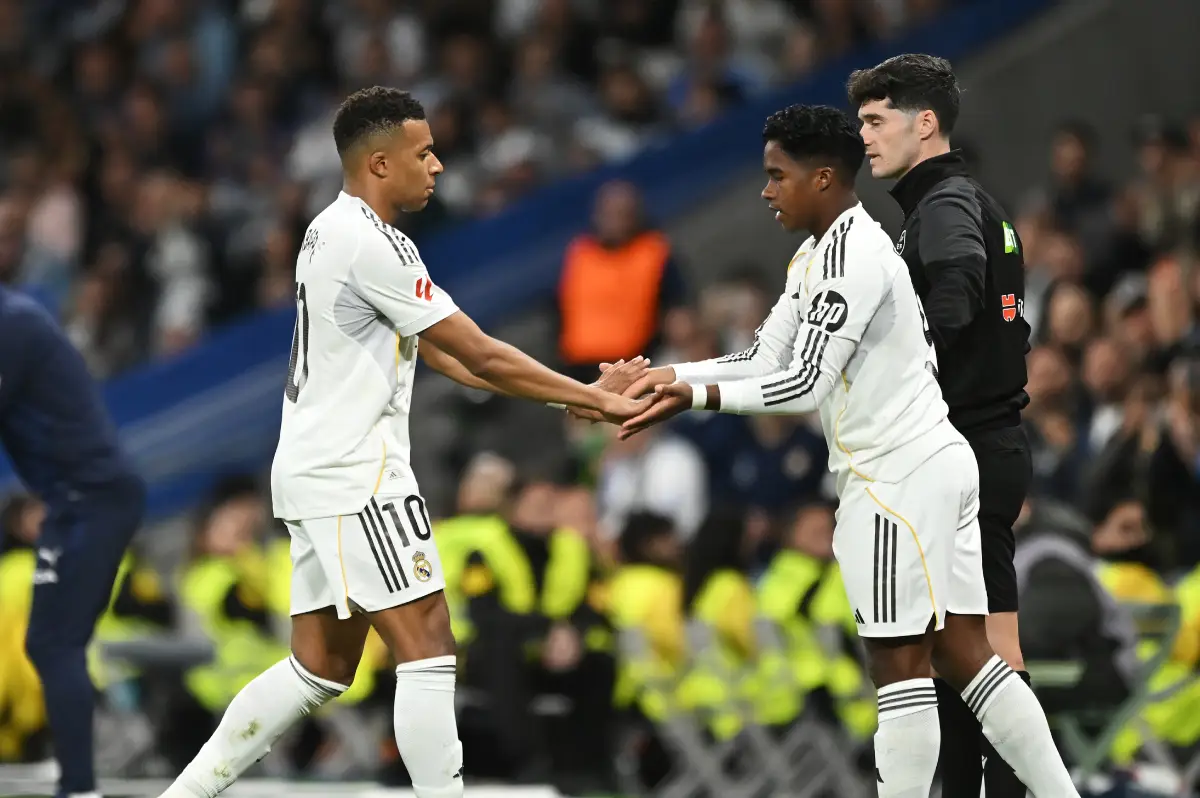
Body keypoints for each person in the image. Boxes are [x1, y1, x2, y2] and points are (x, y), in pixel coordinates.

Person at [157, 86, 650, 798]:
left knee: (320, 667)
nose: (438, 165)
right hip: (357, 474)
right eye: (424, 153)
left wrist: (566, 394)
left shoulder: (328, 229)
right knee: (429, 642)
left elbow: (448, 357)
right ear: (380, 163)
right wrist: (593, 398)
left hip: (314, 469)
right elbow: (479, 353)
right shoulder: (372, 244)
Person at [617, 103, 1078, 796]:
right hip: (933, 463)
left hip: (894, 481)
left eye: (778, 176)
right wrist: (664, 375)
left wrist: (691, 396)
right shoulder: (820, 255)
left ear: (824, 178)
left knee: (898, 670)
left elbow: (803, 383)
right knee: (968, 657)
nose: (766, 191)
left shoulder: (850, 258)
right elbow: (762, 357)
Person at [847, 53, 1036, 797]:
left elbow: (956, 296)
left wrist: (892, 374)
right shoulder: (969, 201)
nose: (864, 136)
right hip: (990, 446)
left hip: (967, 451)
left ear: (924, 123)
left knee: (977, 662)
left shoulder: (945, 204)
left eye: (875, 120)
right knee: (973, 657)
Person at [0, 285, 146, 798]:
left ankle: (79, 786)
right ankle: (75, 772)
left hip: (93, 500)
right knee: (50, 643)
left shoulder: (11, 323)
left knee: (56, 643)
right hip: (73, 502)